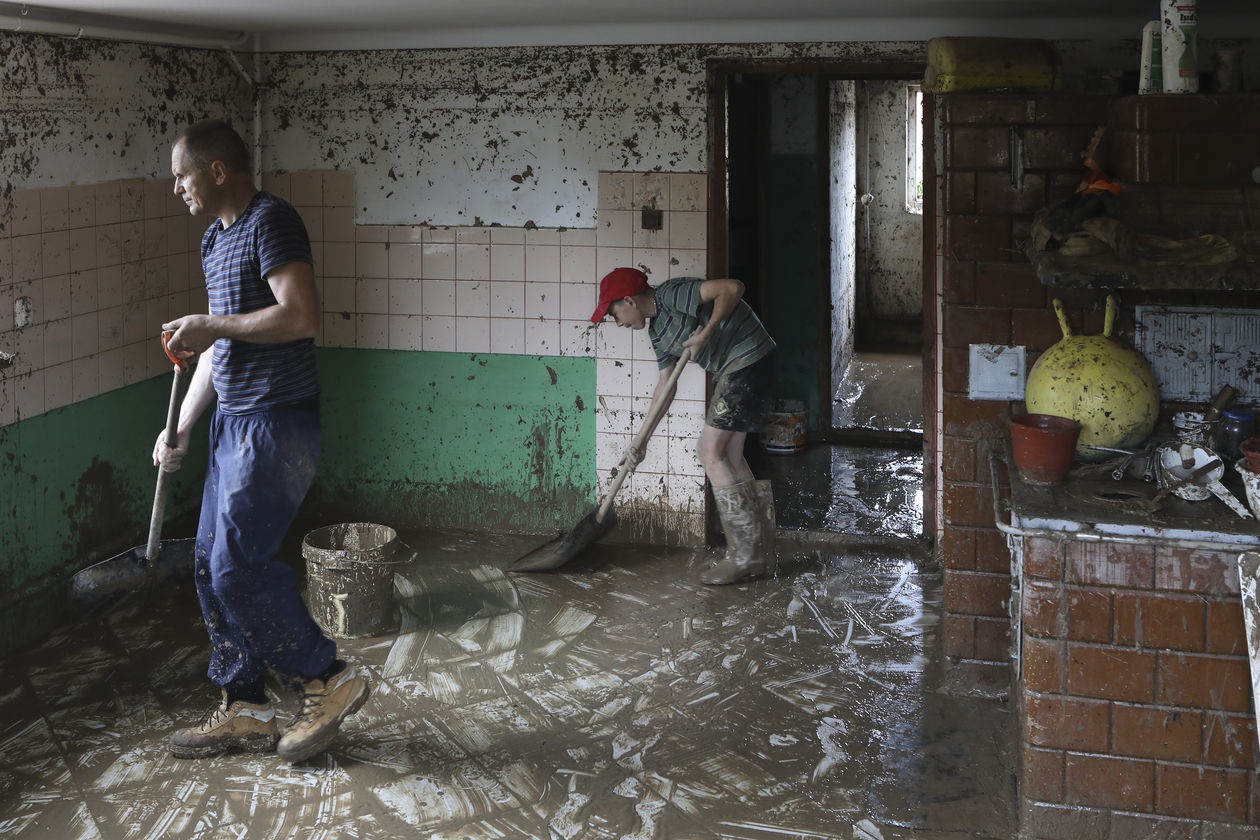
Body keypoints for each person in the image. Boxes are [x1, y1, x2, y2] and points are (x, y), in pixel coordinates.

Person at [154, 119, 368, 762]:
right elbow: (220, 350)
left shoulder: (270, 220)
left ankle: (329, 678)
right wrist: (182, 426)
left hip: (277, 421)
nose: (176, 188)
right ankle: (246, 705)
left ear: (217, 170)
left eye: (182, 175)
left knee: (237, 566)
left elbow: (300, 315)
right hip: (233, 423)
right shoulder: (212, 242)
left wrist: (208, 321)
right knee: (207, 563)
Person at [590, 267, 777, 585]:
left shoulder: (671, 294)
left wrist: (706, 332)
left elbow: (733, 287)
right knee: (730, 455)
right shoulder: (658, 333)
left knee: (709, 451)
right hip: (739, 366)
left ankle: (746, 558)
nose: (618, 322)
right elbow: (665, 385)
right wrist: (642, 441)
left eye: (614, 313)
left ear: (628, 301)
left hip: (746, 358)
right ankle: (761, 551)